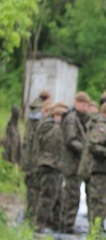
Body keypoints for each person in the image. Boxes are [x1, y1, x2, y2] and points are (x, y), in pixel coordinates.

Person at [78, 99, 106, 229]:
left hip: (105, 171)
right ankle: (95, 233)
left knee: (103, 203)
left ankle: (97, 231)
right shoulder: (101, 127)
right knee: (98, 203)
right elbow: (93, 145)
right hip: (100, 171)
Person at [59, 91, 91, 233]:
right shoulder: (72, 119)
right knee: (72, 196)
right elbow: (70, 140)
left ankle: (67, 223)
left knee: (73, 194)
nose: (86, 108)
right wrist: (85, 150)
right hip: (71, 163)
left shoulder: (79, 118)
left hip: (75, 163)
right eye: (84, 105)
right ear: (76, 102)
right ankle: (66, 224)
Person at [32, 104, 66, 232]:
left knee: (56, 197)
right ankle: (39, 226)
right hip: (51, 166)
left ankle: (52, 226)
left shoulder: (45, 126)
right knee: (47, 197)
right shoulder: (54, 129)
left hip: (49, 165)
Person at [23, 90, 50, 225]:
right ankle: (31, 218)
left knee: (32, 190)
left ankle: (30, 216)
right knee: (34, 190)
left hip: (29, 158)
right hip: (34, 159)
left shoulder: (32, 115)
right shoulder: (39, 119)